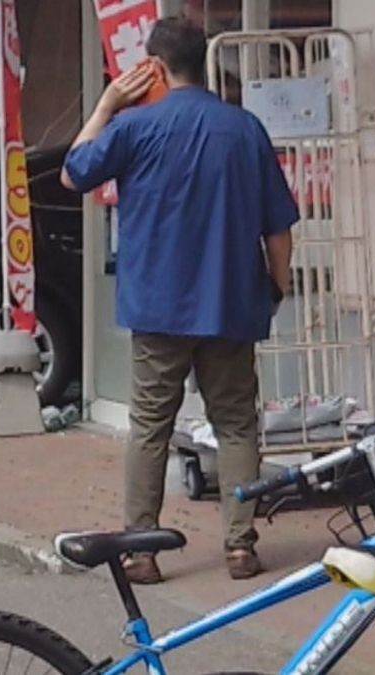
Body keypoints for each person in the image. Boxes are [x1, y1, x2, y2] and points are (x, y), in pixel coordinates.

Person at [61, 18, 298, 583]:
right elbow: (278, 228)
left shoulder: (135, 127)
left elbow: (74, 173)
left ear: (156, 69)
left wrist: (105, 104)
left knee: (150, 426)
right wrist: (277, 285)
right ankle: (240, 545)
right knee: (237, 425)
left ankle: (141, 550)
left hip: (157, 305)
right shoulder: (244, 129)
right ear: (205, 63)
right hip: (231, 302)